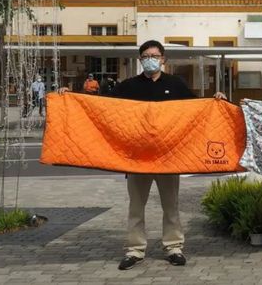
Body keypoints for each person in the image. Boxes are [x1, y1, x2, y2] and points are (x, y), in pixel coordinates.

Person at [60, 40, 225, 270]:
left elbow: (197, 107)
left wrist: (215, 101)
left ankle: (174, 247)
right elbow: (99, 105)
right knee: (136, 207)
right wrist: (70, 97)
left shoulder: (176, 85)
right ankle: (135, 249)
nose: (150, 59)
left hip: (169, 158)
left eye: (154, 55)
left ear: (163, 59)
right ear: (140, 60)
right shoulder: (129, 86)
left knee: (171, 206)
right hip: (136, 159)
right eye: (146, 55)